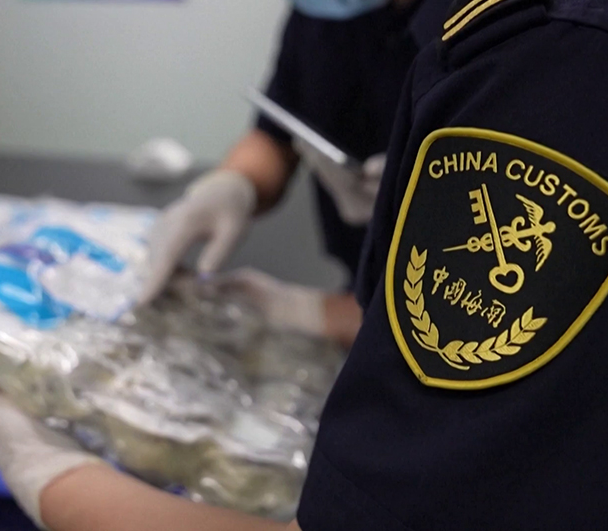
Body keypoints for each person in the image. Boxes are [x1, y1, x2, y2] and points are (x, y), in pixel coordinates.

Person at [0, 0, 608, 529]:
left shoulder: (583, 64)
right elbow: (277, 121)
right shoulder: (388, 19)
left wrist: (48, 473)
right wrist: (234, 184)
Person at [138, 0, 448, 348]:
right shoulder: (322, 13)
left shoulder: (489, 34)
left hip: (449, 314)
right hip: (365, 287)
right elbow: (276, 133)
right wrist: (234, 184)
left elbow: (469, 321)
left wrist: (306, 313)